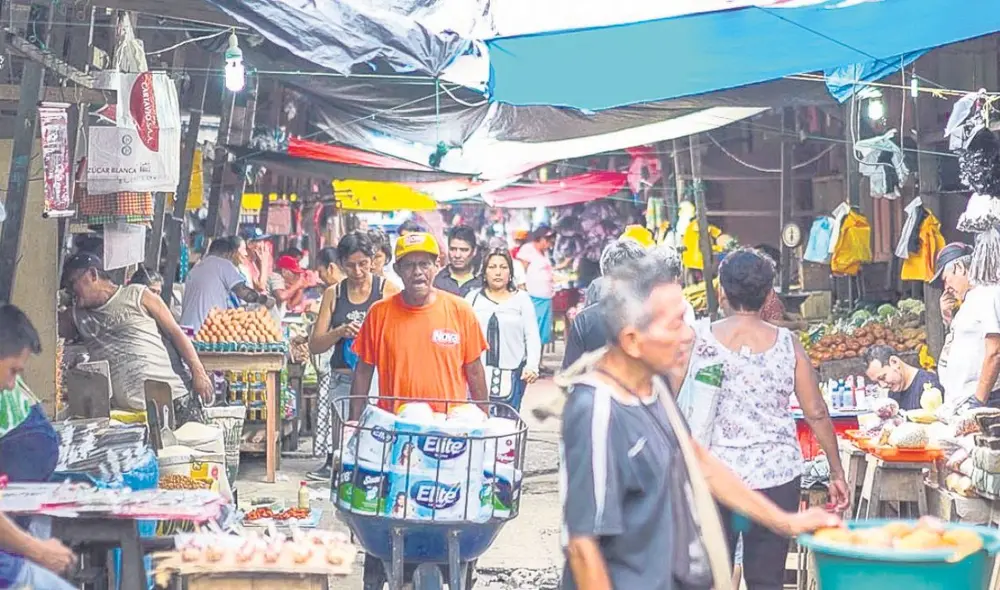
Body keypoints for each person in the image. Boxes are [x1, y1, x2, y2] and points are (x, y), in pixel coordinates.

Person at [559, 257, 839, 590]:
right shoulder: (598, 410)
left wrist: (786, 520)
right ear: (633, 339)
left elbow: (700, 462)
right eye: (675, 324)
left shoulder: (656, 393)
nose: (688, 335)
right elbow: (583, 547)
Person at [689, 248, 848, 589]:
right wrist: (837, 472)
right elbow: (816, 412)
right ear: (768, 295)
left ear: (722, 291)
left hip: (717, 475)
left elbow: (671, 400)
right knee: (766, 578)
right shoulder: (788, 344)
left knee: (713, 575)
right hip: (777, 477)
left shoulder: (699, 340)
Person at [60, 252, 212, 423]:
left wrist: (198, 371)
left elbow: (176, 333)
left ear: (93, 275)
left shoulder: (138, 295)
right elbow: (49, 333)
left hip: (174, 401)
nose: (70, 291)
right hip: (129, 416)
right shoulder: (75, 316)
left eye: (73, 283)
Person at [348, 232, 488, 418]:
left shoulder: (460, 310)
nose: (417, 272)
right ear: (397, 269)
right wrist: (353, 421)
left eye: (424, 264)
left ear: (437, 266)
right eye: (409, 265)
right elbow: (363, 372)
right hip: (394, 427)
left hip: (448, 429)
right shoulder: (379, 313)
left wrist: (484, 420)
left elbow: (475, 371)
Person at [307, 233, 398, 481]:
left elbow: (400, 337)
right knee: (346, 451)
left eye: (363, 264)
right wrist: (339, 331)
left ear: (373, 260)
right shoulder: (334, 294)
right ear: (341, 264)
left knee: (377, 449)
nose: (357, 271)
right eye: (350, 265)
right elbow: (315, 344)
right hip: (343, 382)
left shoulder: (387, 290)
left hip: (379, 382)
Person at [465, 248, 541, 411]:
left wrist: (532, 366)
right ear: (484, 272)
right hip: (477, 372)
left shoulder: (522, 299)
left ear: (510, 272)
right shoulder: (472, 299)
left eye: (503, 267)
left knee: (509, 423)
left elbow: (532, 335)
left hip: (513, 372)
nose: (498, 272)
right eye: (492, 267)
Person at [937, 248, 1000, 407]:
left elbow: (995, 351)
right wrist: (949, 318)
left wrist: (979, 400)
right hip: (964, 401)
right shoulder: (970, 300)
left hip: (985, 400)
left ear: (959, 267)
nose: (946, 287)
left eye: (946, 279)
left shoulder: (987, 293)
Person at [180, 237, 275, 331]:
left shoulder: (195, 269)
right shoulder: (223, 264)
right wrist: (264, 300)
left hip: (186, 329)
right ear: (228, 254)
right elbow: (244, 292)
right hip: (204, 328)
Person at [862, 344, 942, 411]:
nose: (882, 385)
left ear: (894, 362)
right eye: (877, 382)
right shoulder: (893, 392)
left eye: (883, 377)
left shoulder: (929, 385)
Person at [517, 225, 557, 348]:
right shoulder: (527, 249)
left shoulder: (544, 253)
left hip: (546, 296)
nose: (550, 245)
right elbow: (520, 271)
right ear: (542, 239)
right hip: (533, 296)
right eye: (549, 241)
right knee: (533, 329)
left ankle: (540, 362)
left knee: (544, 332)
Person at [434, 225, 483, 297]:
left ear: (474, 251)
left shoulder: (482, 282)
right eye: (453, 249)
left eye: (464, 250)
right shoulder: (436, 281)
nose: (457, 255)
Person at [268, 254, 310, 322]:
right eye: (294, 273)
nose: (297, 276)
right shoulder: (276, 277)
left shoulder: (285, 284)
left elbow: (290, 305)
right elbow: (282, 296)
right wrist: (297, 285)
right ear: (284, 271)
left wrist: (300, 288)